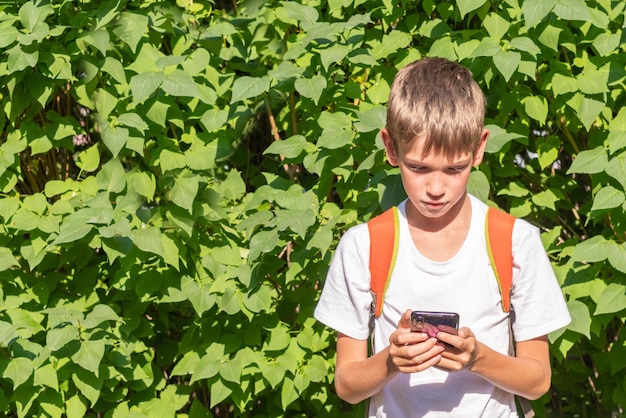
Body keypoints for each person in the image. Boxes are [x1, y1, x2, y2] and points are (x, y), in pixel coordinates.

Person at [313, 57, 571, 417]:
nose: (436, 188)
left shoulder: (514, 241)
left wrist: (477, 358)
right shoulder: (363, 245)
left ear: (479, 149)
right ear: (390, 148)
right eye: (418, 168)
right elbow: (347, 385)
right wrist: (391, 360)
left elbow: (538, 380)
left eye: (454, 168)